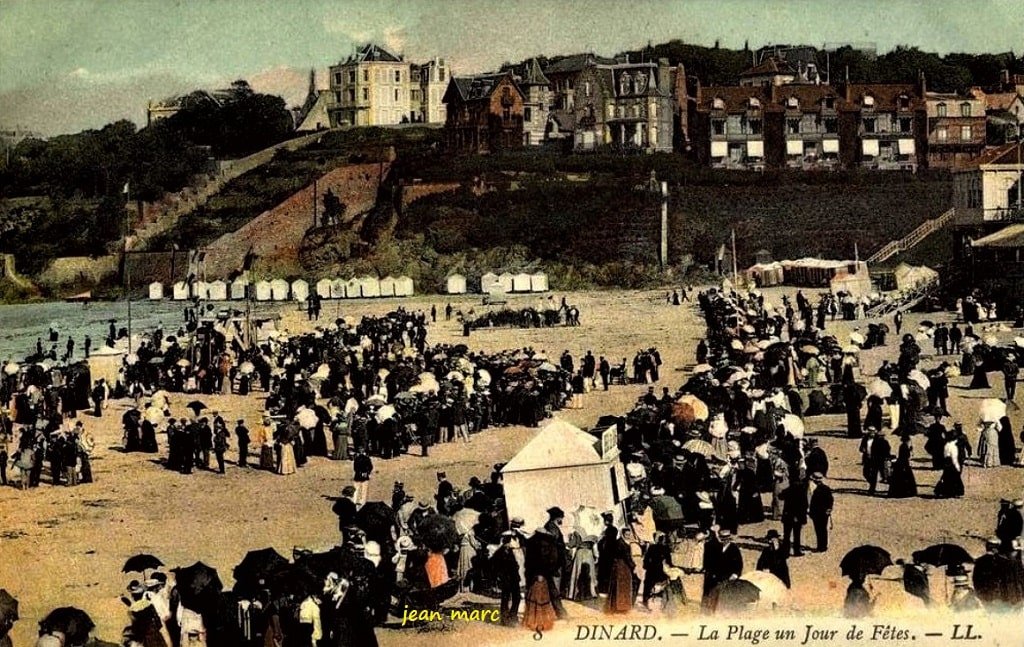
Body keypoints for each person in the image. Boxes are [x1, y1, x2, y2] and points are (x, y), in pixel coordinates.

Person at [604, 527, 635, 614]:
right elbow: (626, 557)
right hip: (622, 566)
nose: (628, 536)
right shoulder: (621, 543)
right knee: (620, 587)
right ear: (622, 534)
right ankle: (619, 607)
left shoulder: (621, 542)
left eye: (629, 535)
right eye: (626, 535)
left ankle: (619, 607)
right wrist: (633, 566)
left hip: (621, 566)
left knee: (621, 587)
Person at [780, 478, 808, 557]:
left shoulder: (788, 490)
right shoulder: (802, 492)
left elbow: (780, 496)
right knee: (797, 535)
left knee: (786, 535)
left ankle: (786, 552)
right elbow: (805, 505)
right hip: (797, 518)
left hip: (788, 516)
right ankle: (796, 551)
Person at [807, 472, 833, 553]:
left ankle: (820, 547)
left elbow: (813, 503)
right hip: (824, 513)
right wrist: (829, 509)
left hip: (817, 513)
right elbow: (830, 500)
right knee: (823, 530)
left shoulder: (816, 490)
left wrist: (810, 512)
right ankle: (823, 546)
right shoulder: (826, 488)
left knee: (819, 530)